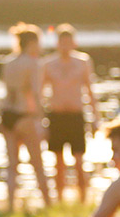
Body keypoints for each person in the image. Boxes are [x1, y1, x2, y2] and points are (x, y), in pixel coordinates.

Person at [41, 24, 101, 203]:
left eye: (68, 42)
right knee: (57, 161)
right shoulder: (48, 64)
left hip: (76, 116)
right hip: (56, 116)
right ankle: (59, 199)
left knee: (79, 160)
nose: (65, 46)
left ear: (74, 43)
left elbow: (90, 91)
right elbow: (40, 93)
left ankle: (83, 199)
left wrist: (96, 118)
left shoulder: (82, 62)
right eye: (61, 42)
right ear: (57, 43)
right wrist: (40, 119)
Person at [0, 23, 52, 211]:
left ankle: (11, 205)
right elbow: (36, 93)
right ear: (32, 43)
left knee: (12, 164)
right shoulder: (34, 63)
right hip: (24, 116)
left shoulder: (8, 62)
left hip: (6, 115)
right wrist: (42, 118)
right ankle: (48, 203)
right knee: (38, 163)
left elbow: (9, 92)